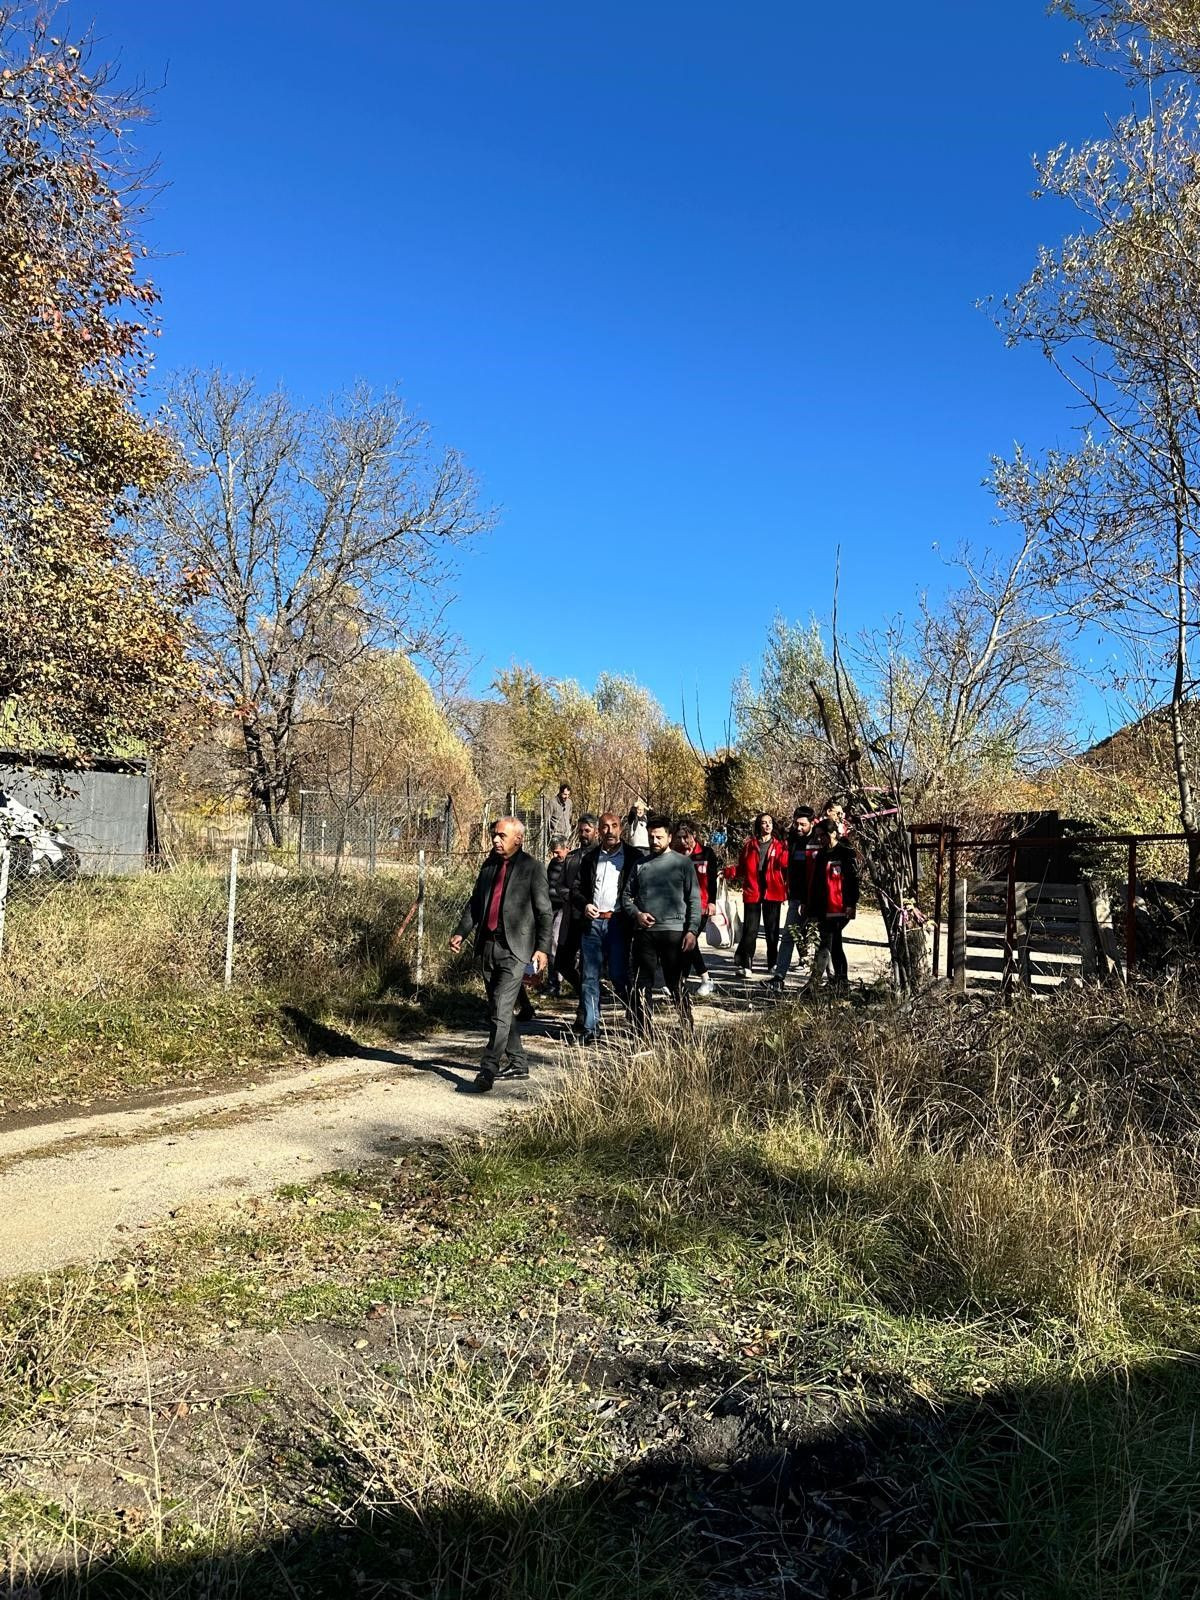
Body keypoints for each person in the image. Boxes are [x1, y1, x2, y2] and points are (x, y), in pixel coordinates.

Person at [450, 816, 552, 1092]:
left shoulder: (533, 868)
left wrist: (543, 948)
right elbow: (475, 903)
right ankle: (518, 1063)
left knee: (501, 1009)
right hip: (488, 946)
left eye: (501, 836)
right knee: (498, 1009)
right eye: (494, 834)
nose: (495, 839)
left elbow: (544, 911)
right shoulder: (488, 865)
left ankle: (488, 1069)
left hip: (516, 950)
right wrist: (462, 932)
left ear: (518, 839)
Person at [621, 814, 701, 1037]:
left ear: (669, 836)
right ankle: (643, 1031)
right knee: (641, 983)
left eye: (659, 837)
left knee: (675, 983)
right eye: (651, 837)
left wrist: (692, 930)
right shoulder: (640, 865)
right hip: (645, 933)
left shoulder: (683, 863)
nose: (654, 841)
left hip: (674, 933)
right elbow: (626, 897)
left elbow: (694, 899)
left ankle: (687, 1026)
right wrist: (637, 914)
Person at [572, 811, 643, 1041]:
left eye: (614, 826)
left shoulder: (633, 857)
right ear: (598, 831)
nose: (609, 830)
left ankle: (637, 1018)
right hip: (593, 923)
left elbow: (640, 890)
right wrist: (584, 906)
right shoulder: (590, 858)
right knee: (589, 977)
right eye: (604, 826)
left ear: (621, 829)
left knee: (618, 975)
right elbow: (576, 889)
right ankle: (591, 1029)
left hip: (618, 923)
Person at [769, 807, 821, 990]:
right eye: (796, 823)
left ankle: (832, 980)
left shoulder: (820, 840)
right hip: (796, 898)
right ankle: (778, 977)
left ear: (812, 823)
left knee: (824, 940)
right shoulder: (791, 839)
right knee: (788, 936)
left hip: (818, 899)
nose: (798, 828)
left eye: (803, 824)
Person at [807, 818, 859, 991]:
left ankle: (814, 982)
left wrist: (851, 904)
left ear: (834, 833)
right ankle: (841, 981)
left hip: (841, 907)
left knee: (826, 943)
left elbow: (852, 881)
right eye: (818, 836)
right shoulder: (821, 855)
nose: (821, 839)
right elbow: (816, 883)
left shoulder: (845, 852)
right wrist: (811, 907)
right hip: (824, 907)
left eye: (823, 835)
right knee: (835, 945)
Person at [733, 811, 788, 975]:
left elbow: (785, 866)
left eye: (770, 822)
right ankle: (746, 966)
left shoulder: (779, 845)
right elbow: (741, 867)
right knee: (750, 930)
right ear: (759, 826)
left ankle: (772, 964)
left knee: (772, 931)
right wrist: (727, 872)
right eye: (764, 822)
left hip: (773, 891)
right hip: (753, 890)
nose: (767, 825)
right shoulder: (750, 845)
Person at [672, 817, 722, 997]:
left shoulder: (707, 854)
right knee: (685, 943)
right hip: (680, 906)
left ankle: (706, 979)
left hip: (701, 906)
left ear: (694, 835)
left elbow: (712, 882)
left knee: (689, 941)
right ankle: (681, 981)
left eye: (686, 837)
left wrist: (712, 902)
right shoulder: (675, 854)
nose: (683, 841)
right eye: (679, 837)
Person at [553, 813, 599, 1006]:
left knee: (590, 967)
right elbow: (561, 885)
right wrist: (571, 898)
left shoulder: (601, 856)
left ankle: (585, 1011)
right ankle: (585, 994)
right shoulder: (571, 858)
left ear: (596, 831)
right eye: (580, 830)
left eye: (587, 830)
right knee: (562, 962)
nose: (583, 834)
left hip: (592, 918)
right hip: (571, 916)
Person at [545, 836, 571, 997]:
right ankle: (553, 981)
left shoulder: (572, 863)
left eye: (558, 852)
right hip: (550, 907)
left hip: (565, 908)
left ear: (566, 848)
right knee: (549, 943)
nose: (555, 856)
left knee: (555, 941)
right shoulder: (553, 864)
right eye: (553, 853)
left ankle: (557, 982)